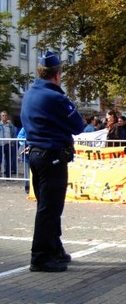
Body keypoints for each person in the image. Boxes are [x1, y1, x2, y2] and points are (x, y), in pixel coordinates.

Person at [20, 51, 84, 272]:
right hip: (52, 157)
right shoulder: (55, 97)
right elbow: (77, 125)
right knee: (50, 208)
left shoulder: (30, 94)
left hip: (37, 155)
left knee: (47, 206)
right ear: (57, 74)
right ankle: (40, 256)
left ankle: (55, 248)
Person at [0, 110, 17, 177]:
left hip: (8, 144)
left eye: (6, 115)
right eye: (3, 115)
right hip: (0, 144)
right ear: (0, 117)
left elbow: (13, 134)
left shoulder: (10, 125)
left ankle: (8, 175)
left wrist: (13, 142)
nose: (4, 117)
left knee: (9, 160)